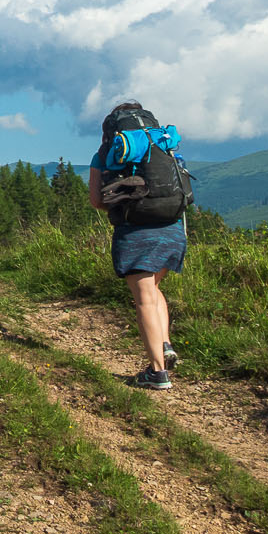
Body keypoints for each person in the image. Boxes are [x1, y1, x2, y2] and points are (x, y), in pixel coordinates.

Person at [87, 100, 186, 390]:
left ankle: (157, 373)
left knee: (143, 298)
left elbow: (97, 201)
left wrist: (124, 209)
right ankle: (164, 344)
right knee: (153, 290)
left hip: (136, 232)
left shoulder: (106, 153)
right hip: (172, 229)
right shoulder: (164, 145)